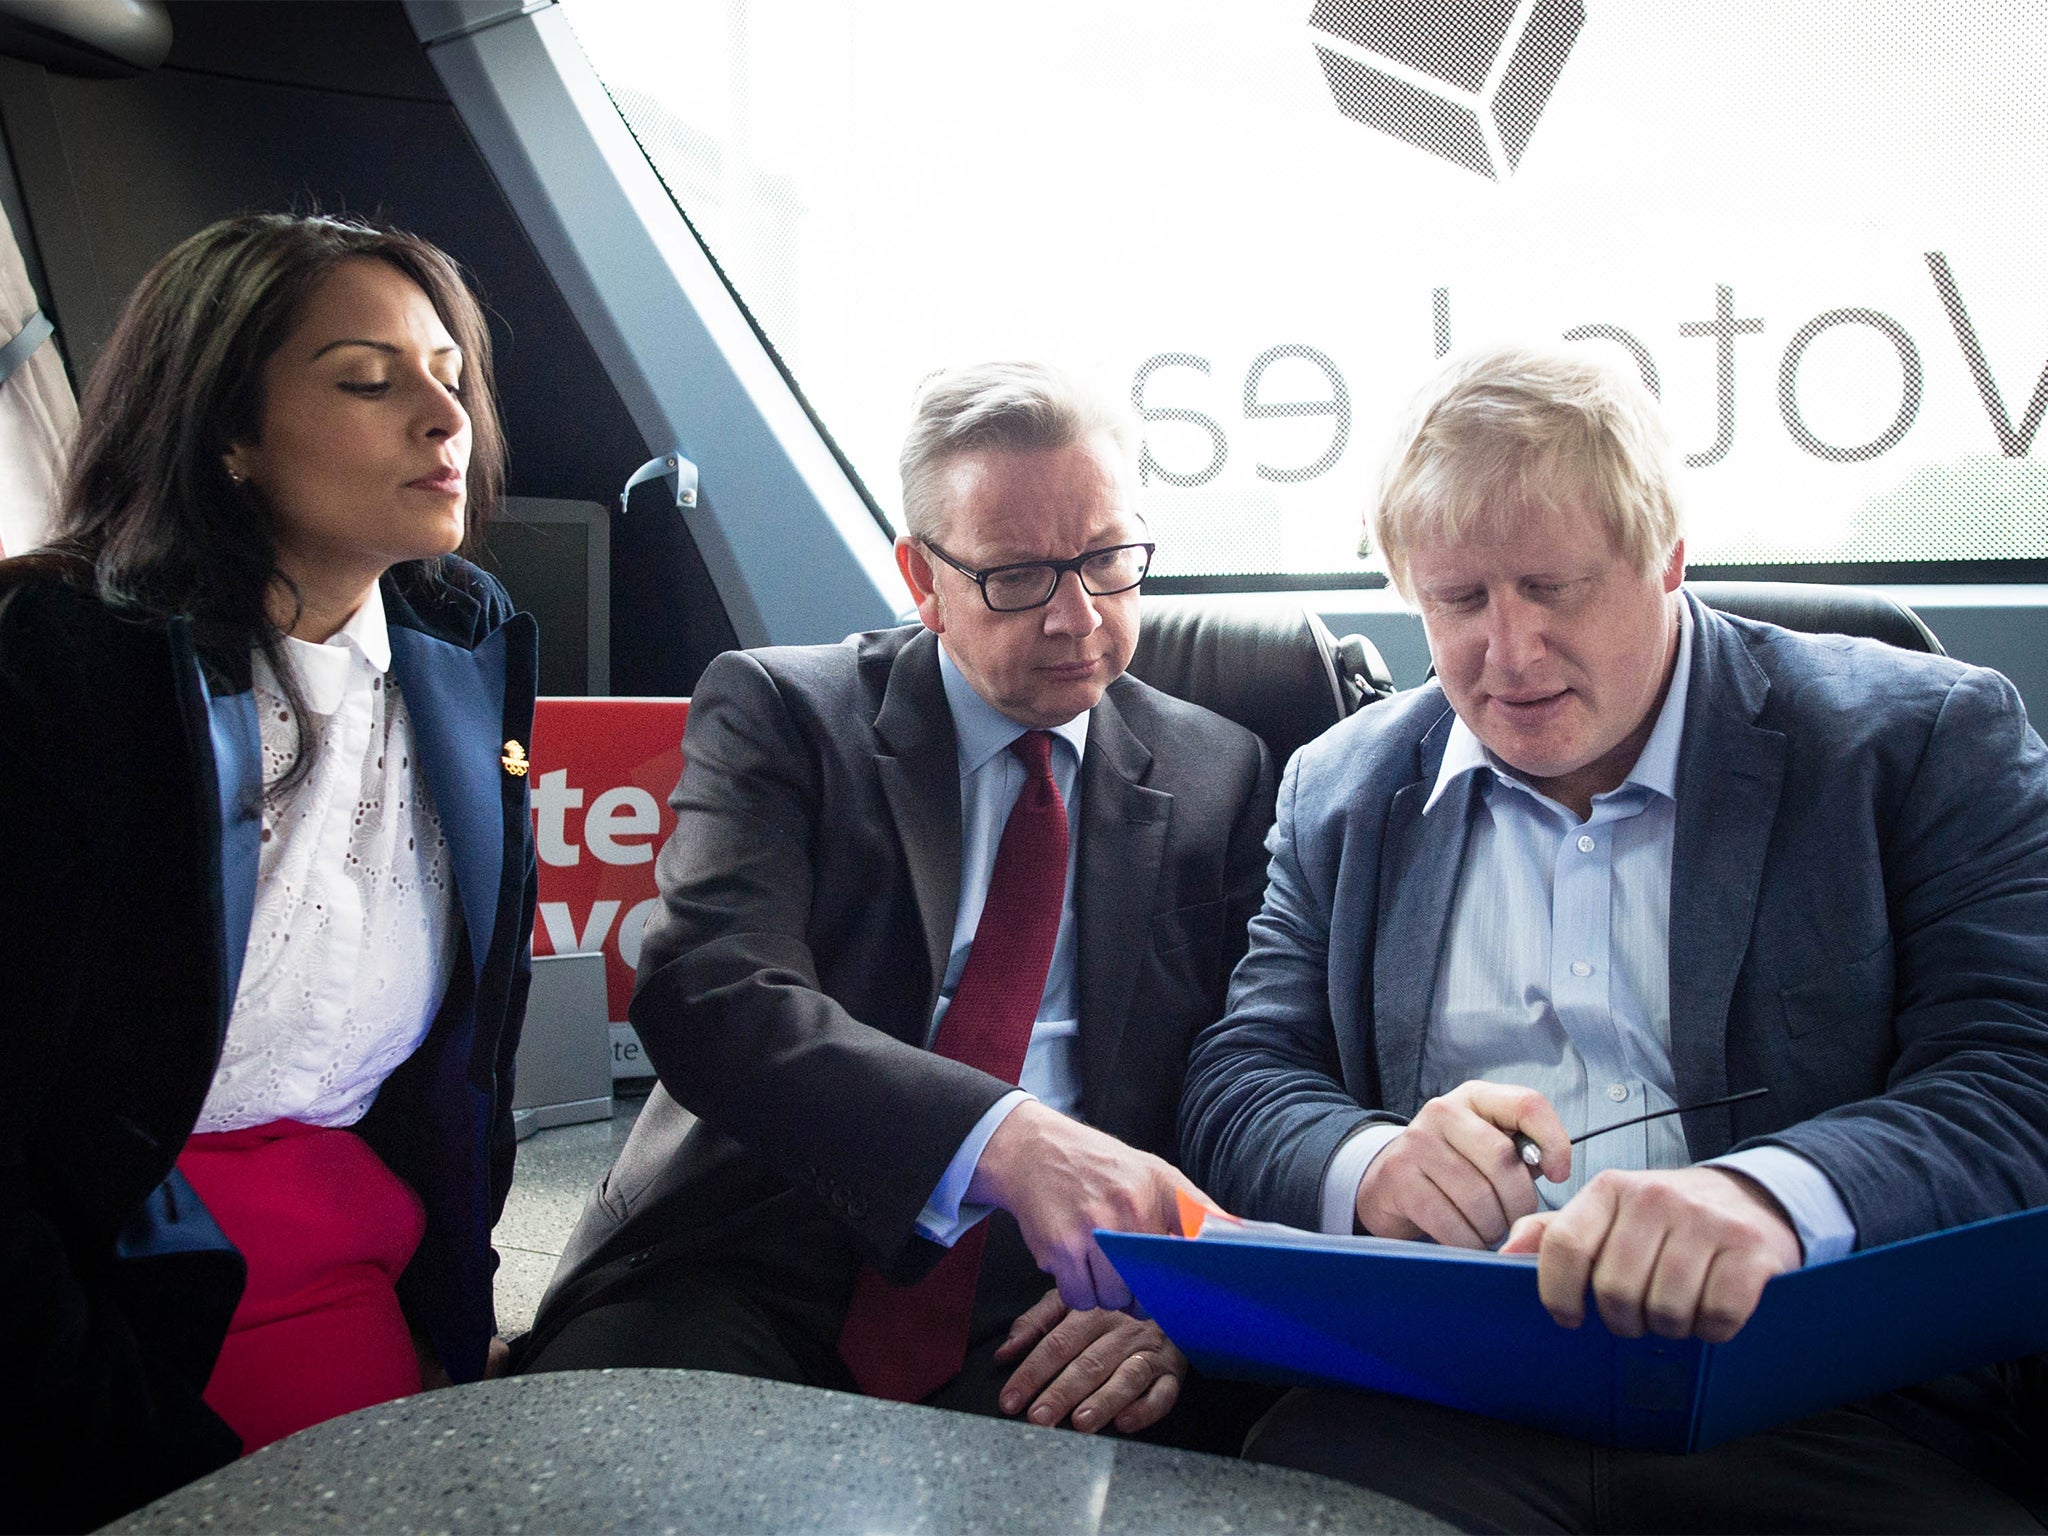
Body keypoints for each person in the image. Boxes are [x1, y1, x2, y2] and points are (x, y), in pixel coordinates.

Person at [1177, 345, 2048, 1532]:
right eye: (1459, 601)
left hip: (1826, 1400)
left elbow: (2015, 1079)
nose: (1509, 654)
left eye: (1551, 589)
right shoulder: (1337, 789)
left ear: (1666, 562)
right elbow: (1240, 1079)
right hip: (1440, 1399)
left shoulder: (1915, 743)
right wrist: (1368, 1167)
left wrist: (1765, 1201)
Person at [520, 361, 1275, 1447]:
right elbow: (713, 993)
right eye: (1017, 575)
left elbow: (1241, 1067)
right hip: (762, 1244)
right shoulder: (784, 711)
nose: (1077, 618)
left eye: (1108, 561)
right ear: (920, 578)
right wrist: (1005, 1142)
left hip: (1054, 1295)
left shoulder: (1218, 771)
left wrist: (1185, 1290)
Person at [0, 213, 538, 1533]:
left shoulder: (466, 640)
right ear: (225, 437)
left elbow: (467, 1072)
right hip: (83, 1289)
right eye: (368, 378)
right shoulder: (56, 664)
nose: (440, 415)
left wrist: (453, 1343)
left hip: (355, 1235)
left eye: (446, 372)